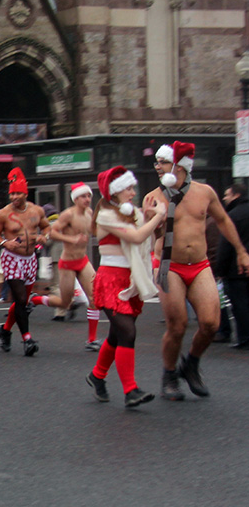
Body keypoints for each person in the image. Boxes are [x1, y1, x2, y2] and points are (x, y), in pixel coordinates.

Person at [144, 142, 249, 400]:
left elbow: (223, 220)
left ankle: (190, 364)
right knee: (177, 326)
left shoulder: (205, 192)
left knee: (211, 324)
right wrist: (156, 219)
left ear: (179, 166)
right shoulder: (153, 197)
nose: (157, 167)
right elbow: (152, 237)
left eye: (162, 162)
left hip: (200, 265)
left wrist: (241, 251)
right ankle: (169, 375)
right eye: (157, 162)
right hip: (170, 265)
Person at [86, 166, 165, 407]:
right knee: (127, 332)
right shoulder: (105, 216)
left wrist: (151, 218)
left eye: (132, 188)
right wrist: (158, 216)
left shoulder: (131, 214)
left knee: (117, 333)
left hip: (129, 280)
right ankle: (131, 390)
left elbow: (149, 237)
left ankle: (97, 375)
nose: (133, 193)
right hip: (110, 280)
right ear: (115, 191)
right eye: (128, 188)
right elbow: (137, 237)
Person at [0, 167, 51, 356]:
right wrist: (5, 243)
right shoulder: (3, 214)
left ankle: (5, 330)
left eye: (18, 193)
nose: (14, 197)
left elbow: (46, 227)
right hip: (12, 258)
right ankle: (27, 339)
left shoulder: (36, 210)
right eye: (12, 194)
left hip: (31, 259)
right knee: (21, 299)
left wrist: (44, 237)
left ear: (25, 192)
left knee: (22, 302)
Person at [30, 182, 100, 350]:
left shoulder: (89, 213)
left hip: (83, 261)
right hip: (67, 263)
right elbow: (52, 232)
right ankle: (36, 300)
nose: (87, 199)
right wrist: (72, 239)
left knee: (95, 298)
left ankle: (91, 340)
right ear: (75, 199)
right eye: (83, 196)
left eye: (88, 196)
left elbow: (94, 230)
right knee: (64, 302)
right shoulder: (68, 215)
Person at [216, 183, 249, 350]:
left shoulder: (232, 216)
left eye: (227, 195)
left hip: (236, 269)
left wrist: (220, 270)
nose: (224, 198)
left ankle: (245, 338)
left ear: (236, 195)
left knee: (240, 305)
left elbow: (226, 245)